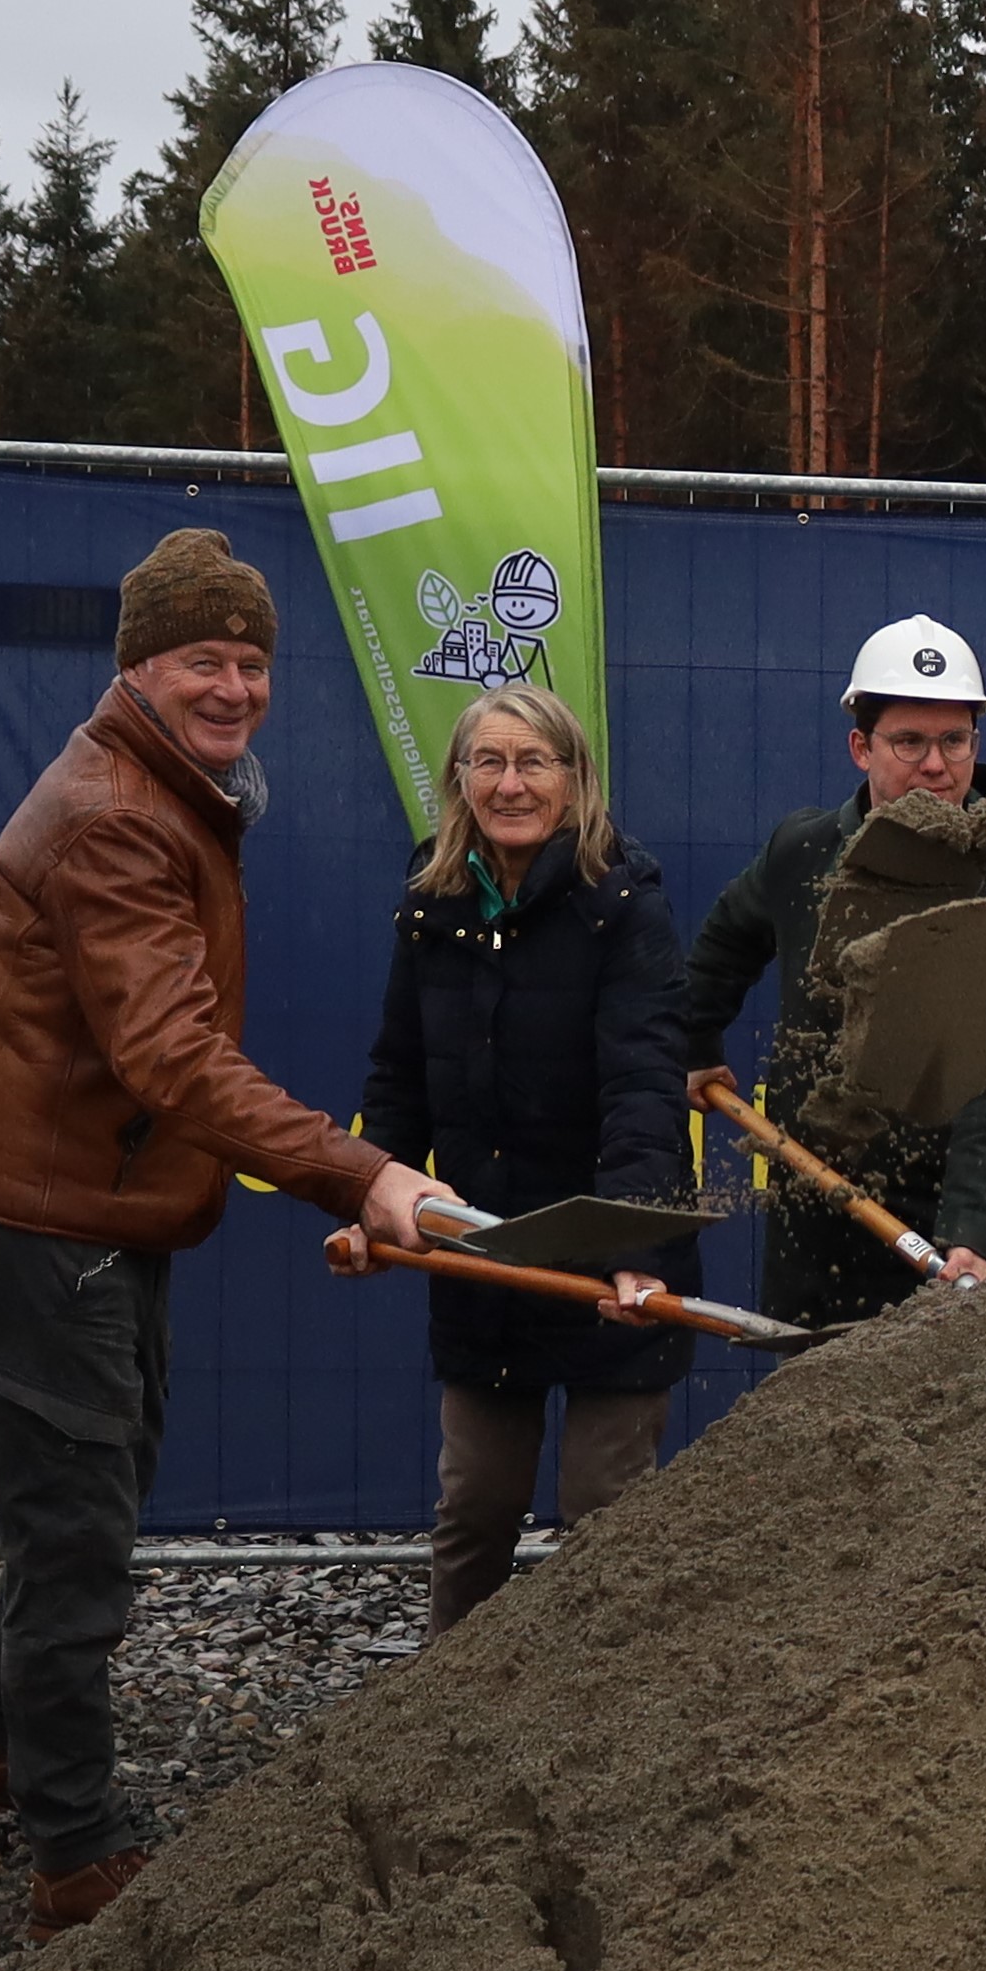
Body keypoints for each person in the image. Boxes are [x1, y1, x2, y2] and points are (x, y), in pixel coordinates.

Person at [0, 530, 441, 1936]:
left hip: (82, 1210)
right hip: (46, 1229)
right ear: (137, 665)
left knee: (78, 1495)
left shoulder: (169, 791)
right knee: (78, 1530)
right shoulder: (118, 817)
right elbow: (173, 1059)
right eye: (203, 657)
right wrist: (361, 1172)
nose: (234, 684)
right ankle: (75, 1859)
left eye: (253, 659)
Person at [361, 682, 696, 1638]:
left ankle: (609, 1720)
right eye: (489, 763)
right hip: (484, 1253)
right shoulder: (433, 902)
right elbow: (399, 1075)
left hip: (607, 1257)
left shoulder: (623, 906)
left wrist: (630, 1244)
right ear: (460, 780)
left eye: (533, 762)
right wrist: (368, 1189)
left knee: (606, 1515)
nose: (511, 784)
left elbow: (643, 1088)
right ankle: (440, 1731)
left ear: (574, 779)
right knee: (474, 1513)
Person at [672, 615, 986, 1326]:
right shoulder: (804, 850)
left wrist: (971, 1232)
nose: (935, 765)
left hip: (952, 1231)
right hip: (813, 1216)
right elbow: (723, 945)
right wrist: (695, 1045)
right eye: (909, 741)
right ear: (862, 746)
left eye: (954, 740)